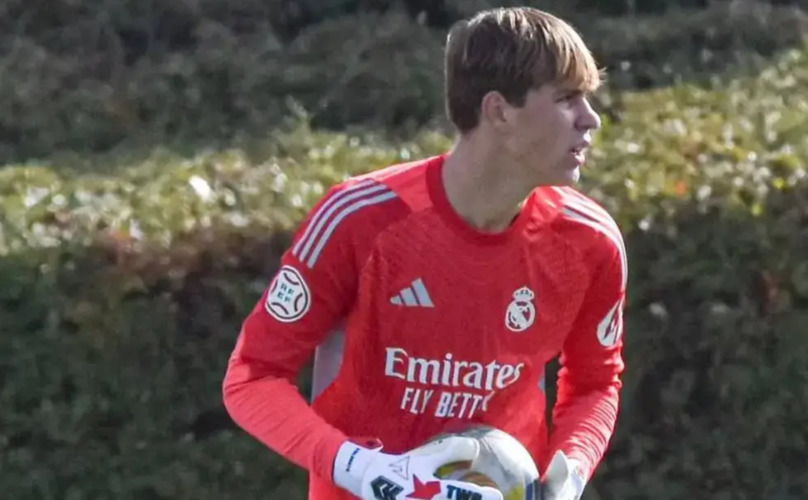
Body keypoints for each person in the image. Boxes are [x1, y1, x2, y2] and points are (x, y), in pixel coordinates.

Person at [222, 6, 627, 500]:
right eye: (566, 98)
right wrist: (361, 469)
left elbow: (595, 384)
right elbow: (252, 377)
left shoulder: (589, 241)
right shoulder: (360, 218)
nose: (591, 119)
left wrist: (571, 473)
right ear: (499, 111)